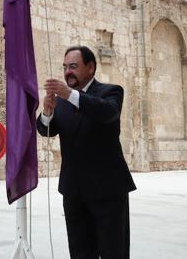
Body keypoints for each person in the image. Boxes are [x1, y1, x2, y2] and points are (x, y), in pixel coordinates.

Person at [37, 45, 136, 259]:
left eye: (73, 66)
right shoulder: (62, 99)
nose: (67, 72)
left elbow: (106, 112)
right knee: (80, 251)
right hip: (73, 191)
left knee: (114, 251)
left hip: (107, 191)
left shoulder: (111, 92)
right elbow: (46, 130)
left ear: (91, 67)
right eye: (64, 67)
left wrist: (70, 94)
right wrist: (47, 112)